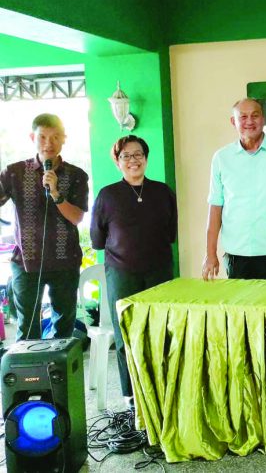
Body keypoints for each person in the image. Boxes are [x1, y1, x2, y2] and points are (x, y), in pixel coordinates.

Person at [90, 135, 177, 406]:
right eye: (126, 156)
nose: (133, 160)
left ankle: (162, 387)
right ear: (118, 162)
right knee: (126, 332)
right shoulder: (107, 195)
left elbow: (171, 233)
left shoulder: (163, 192)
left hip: (159, 273)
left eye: (138, 154)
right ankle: (131, 395)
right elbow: (97, 239)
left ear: (146, 158)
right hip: (122, 274)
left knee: (160, 330)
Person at [0, 113, 88, 340]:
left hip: (65, 261)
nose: (49, 143)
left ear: (64, 139)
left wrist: (56, 193)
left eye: (55, 137)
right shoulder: (13, 172)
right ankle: (30, 376)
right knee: (27, 328)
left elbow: (77, 217)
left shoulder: (77, 175)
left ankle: (59, 375)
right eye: (43, 137)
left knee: (64, 326)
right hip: (26, 262)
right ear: (32, 137)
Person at [202, 98, 266, 280]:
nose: (249, 121)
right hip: (237, 254)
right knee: (240, 308)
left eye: (255, 116)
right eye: (243, 117)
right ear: (234, 122)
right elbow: (215, 207)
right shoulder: (221, 158)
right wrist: (210, 254)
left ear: (263, 119)